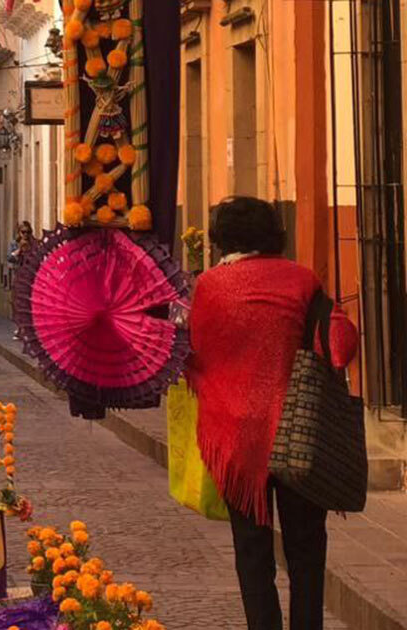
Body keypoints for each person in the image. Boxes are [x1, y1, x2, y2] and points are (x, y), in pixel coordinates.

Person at [187, 196, 358, 630]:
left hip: (236, 437)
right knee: (306, 549)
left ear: (221, 239)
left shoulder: (209, 286)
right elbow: (340, 346)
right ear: (274, 233)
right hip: (300, 431)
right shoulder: (302, 281)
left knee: (251, 549)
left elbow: (197, 356)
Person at [6, 222, 37, 340]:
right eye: (23, 232)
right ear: (19, 232)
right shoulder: (14, 244)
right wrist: (19, 249)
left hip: (30, 277)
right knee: (17, 303)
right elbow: (9, 258)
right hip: (18, 276)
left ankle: (28, 328)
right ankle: (20, 328)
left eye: (28, 232)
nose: (26, 235)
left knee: (29, 303)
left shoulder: (34, 244)